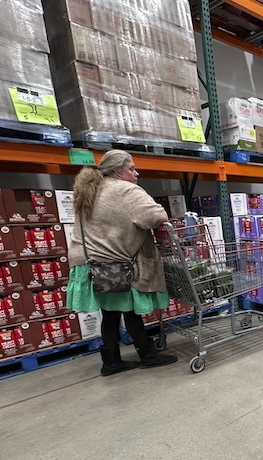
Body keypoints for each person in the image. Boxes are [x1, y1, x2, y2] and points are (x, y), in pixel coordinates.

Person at [67, 149, 177, 376]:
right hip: (114, 266)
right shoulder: (126, 190)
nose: (136, 174)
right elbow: (155, 216)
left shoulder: (92, 189)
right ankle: (147, 355)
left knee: (111, 313)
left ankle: (111, 362)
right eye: (131, 169)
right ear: (118, 171)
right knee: (129, 310)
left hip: (89, 263)